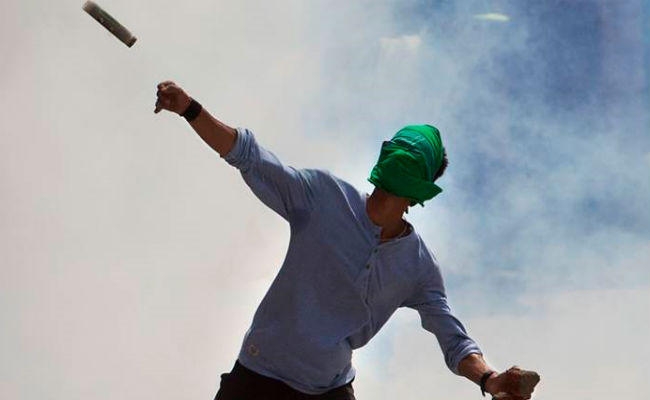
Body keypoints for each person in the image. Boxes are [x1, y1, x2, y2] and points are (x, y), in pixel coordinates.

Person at [154, 81, 540, 400]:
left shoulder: (418, 266)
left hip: (329, 389)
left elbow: (454, 341)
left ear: (421, 189)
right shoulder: (323, 196)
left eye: (411, 160)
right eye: (398, 153)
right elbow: (250, 156)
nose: (398, 164)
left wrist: (490, 380)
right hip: (258, 376)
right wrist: (190, 109)